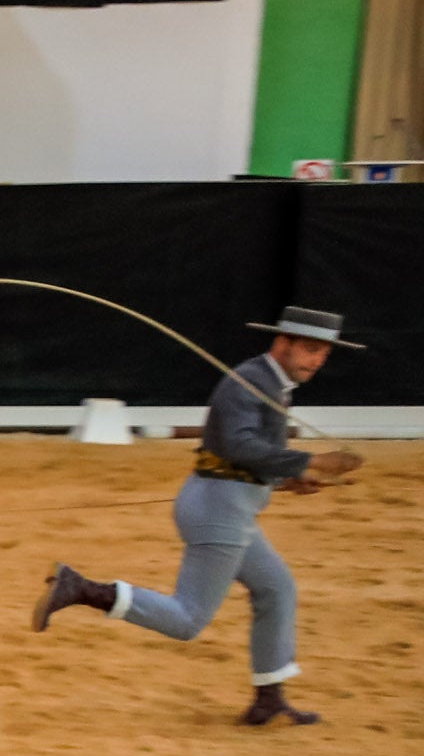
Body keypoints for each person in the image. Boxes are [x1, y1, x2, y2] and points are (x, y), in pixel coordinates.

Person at [32, 306, 369, 726]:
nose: (316, 360)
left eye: (323, 353)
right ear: (281, 343)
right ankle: (79, 588)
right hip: (219, 511)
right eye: (310, 349)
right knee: (188, 619)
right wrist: (310, 462)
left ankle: (269, 697)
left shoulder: (270, 384)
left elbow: (243, 459)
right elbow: (238, 445)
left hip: (226, 505)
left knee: (277, 588)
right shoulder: (249, 382)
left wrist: (288, 481)